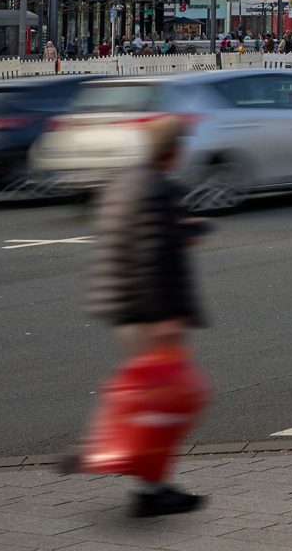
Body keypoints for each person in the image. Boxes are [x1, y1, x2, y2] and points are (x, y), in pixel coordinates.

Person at [80, 117, 209, 517]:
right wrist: (164, 317)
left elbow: (129, 239)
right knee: (170, 399)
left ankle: (150, 483)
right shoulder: (157, 188)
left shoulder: (128, 183)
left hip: (124, 305)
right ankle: (151, 488)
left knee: (154, 399)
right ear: (173, 150)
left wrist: (180, 231)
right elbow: (152, 255)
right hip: (149, 311)